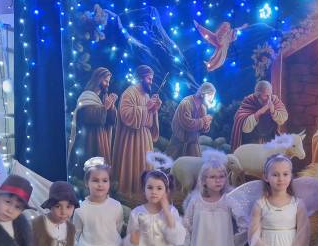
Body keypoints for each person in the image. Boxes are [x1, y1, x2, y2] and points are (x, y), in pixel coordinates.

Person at [182, 150, 238, 246]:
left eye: (221, 176)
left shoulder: (229, 200)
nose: (218, 180)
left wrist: (233, 244)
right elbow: (186, 226)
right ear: (203, 180)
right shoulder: (195, 201)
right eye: (212, 177)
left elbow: (243, 223)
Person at [115, 65, 161, 197]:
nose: (151, 82)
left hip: (145, 137)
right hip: (132, 139)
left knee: (146, 165)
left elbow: (149, 117)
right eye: (149, 79)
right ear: (141, 78)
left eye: (152, 79)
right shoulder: (129, 93)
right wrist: (146, 108)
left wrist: (154, 109)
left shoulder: (146, 95)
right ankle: (130, 192)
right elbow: (126, 114)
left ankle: (144, 191)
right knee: (133, 165)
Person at [69, 67, 117, 174]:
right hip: (88, 140)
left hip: (101, 138)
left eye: (108, 82)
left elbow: (110, 121)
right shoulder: (86, 96)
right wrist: (105, 107)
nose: (107, 84)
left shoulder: (101, 98)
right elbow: (88, 117)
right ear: (98, 79)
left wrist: (111, 107)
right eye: (106, 81)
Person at [231, 80, 289, 149]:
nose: (268, 98)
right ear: (258, 95)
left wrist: (273, 111)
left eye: (270, 95)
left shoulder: (274, 100)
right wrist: (259, 112)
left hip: (270, 140)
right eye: (265, 96)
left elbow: (284, 117)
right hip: (252, 142)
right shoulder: (249, 101)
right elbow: (244, 126)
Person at [166, 82, 214, 159]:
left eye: (212, 96)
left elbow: (201, 128)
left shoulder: (203, 107)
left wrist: (206, 125)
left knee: (195, 163)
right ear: (203, 94)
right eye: (209, 96)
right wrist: (203, 120)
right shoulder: (186, 103)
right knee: (172, 162)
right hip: (179, 141)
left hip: (193, 142)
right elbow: (187, 124)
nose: (211, 99)